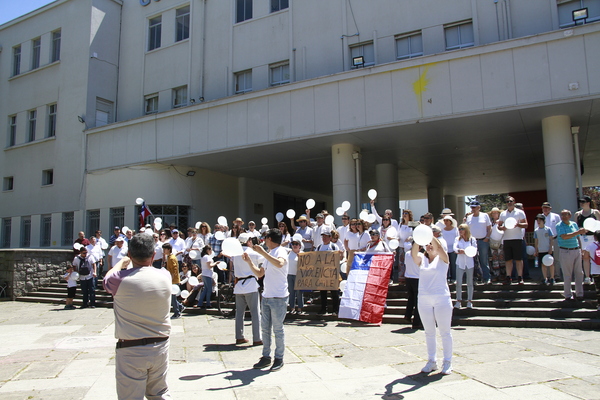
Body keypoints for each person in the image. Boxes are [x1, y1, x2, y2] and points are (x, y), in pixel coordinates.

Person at [103, 233, 172, 399]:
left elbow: (107, 278)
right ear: (153, 255)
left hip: (131, 348)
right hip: (160, 345)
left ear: (130, 254)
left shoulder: (119, 279)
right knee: (160, 393)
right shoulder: (165, 276)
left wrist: (121, 262)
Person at [242, 228, 288, 372]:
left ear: (270, 239)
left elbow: (280, 263)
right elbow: (260, 273)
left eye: (266, 237)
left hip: (278, 297)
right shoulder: (269, 254)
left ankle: (279, 358)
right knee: (265, 329)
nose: (264, 240)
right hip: (267, 296)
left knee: (278, 329)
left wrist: (263, 253)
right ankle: (266, 356)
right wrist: (250, 262)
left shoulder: (280, 251)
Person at [413, 236, 453, 375]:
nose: (429, 246)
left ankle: (447, 361)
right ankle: (432, 361)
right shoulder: (422, 259)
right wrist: (419, 236)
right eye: (427, 244)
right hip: (424, 299)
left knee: (445, 332)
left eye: (431, 244)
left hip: (441, 298)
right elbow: (413, 253)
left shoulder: (443, 259)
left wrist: (430, 234)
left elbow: (439, 248)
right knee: (429, 332)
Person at [228, 233, 262, 345]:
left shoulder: (235, 254)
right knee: (255, 313)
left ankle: (239, 336)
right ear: (248, 241)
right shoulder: (253, 253)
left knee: (239, 313)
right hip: (250, 284)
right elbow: (263, 260)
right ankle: (257, 338)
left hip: (239, 285)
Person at [556, 209, 586, 302]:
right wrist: (578, 232)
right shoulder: (559, 225)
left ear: (570, 216)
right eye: (562, 215)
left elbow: (578, 238)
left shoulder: (574, 224)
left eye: (566, 215)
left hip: (576, 250)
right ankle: (568, 294)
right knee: (567, 274)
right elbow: (564, 236)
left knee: (579, 273)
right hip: (566, 251)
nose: (564, 217)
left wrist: (581, 249)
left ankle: (579, 293)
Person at [498, 196, 528, 284]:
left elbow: (526, 224)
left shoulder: (520, 212)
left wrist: (517, 224)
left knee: (518, 259)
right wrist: (502, 228)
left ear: (514, 202)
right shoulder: (503, 214)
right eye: (507, 201)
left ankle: (520, 277)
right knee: (508, 260)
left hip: (517, 238)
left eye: (510, 201)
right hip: (507, 239)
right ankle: (508, 277)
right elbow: (499, 226)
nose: (509, 203)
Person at [316, 227, 342, 316]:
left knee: (334, 292)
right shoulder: (319, 247)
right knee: (323, 292)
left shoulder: (334, 246)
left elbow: (338, 258)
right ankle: (323, 309)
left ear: (330, 237)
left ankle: (335, 310)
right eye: (323, 236)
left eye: (326, 236)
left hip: (332, 272)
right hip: (322, 273)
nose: (324, 238)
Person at [465, 200, 493, 284]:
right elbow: (466, 229)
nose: (473, 209)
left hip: (483, 240)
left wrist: (487, 237)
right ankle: (475, 278)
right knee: (472, 260)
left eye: (474, 207)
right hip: (472, 241)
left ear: (479, 207)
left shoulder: (485, 215)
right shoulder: (469, 217)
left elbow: (489, 228)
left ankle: (486, 278)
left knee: (484, 260)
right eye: (471, 207)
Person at [575, 195, 600, 284]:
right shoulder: (577, 214)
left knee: (595, 256)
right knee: (585, 257)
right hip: (583, 238)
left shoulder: (595, 212)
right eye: (580, 202)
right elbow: (576, 228)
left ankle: (595, 275)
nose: (581, 204)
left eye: (583, 202)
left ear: (588, 203)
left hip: (594, 238)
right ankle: (587, 277)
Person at [454, 224, 477, 309]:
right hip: (460, 263)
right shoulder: (457, 239)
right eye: (459, 229)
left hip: (469, 263)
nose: (460, 231)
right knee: (459, 283)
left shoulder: (472, 239)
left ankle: (469, 301)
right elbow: (455, 248)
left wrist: (465, 251)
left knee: (469, 283)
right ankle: (458, 301)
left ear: (466, 230)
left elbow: (474, 250)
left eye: (462, 229)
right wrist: (459, 250)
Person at [403, 241, 422, 329]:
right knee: (418, 301)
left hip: (408, 277)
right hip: (417, 278)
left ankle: (408, 315)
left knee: (411, 298)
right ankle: (416, 322)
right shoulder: (421, 255)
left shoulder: (407, 254)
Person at [163, 243, 184, 319]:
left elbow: (175, 270)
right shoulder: (169, 257)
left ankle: (177, 313)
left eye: (165, 249)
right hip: (171, 279)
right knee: (172, 297)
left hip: (173, 280)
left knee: (173, 297)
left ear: (169, 249)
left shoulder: (172, 258)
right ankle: (180, 307)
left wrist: (171, 278)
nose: (163, 251)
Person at [534, 214, 554, 285]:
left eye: (540, 220)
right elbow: (536, 241)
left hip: (548, 250)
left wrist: (550, 248)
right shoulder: (536, 230)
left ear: (543, 221)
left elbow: (551, 239)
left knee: (551, 264)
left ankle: (552, 278)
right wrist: (536, 250)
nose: (538, 222)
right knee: (543, 264)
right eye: (537, 220)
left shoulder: (548, 229)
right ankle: (545, 278)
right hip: (541, 250)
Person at [582, 230, 600, 311]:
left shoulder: (590, 246)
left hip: (595, 271)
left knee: (598, 289)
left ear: (594, 237)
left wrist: (587, 275)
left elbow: (585, 258)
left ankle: (599, 305)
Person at [287, 240, 304, 314]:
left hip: (299, 275)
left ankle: (300, 308)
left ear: (300, 246)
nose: (294, 245)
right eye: (293, 244)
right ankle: (292, 308)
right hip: (290, 274)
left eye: (296, 244)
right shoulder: (288, 253)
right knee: (291, 292)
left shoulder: (303, 253)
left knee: (299, 292)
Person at [489, 207, 506, 281]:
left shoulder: (502, 221)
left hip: (501, 242)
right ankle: (496, 275)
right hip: (492, 242)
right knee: (494, 259)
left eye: (496, 213)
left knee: (501, 258)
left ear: (499, 213)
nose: (494, 214)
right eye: (493, 213)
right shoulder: (490, 222)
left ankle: (503, 274)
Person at [441, 215, 458, 283]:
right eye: (444, 220)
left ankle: (454, 278)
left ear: (451, 221)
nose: (446, 222)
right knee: (446, 263)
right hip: (445, 249)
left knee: (453, 263)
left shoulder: (455, 229)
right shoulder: (442, 230)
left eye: (447, 220)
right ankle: (447, 277)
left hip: (453, 249)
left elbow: (457, 238)